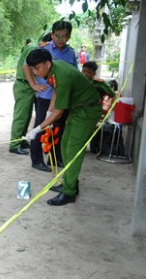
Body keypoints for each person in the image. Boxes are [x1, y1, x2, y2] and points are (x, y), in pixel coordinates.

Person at [25, 49, 102, 206]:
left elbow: (59, 113)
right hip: (77, 109)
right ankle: (70, 181)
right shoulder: (53, 70)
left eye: (36, 68)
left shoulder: (62, 75)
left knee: (73, 150)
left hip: (87, 110)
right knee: (65, 145)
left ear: (47, 63)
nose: (34, 72)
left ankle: (69, 192)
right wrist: (48, 112)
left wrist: (36, 129)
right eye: (32, 69)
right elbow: (55, 91)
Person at [30, 20, 77, 172]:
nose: (61, 39)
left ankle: (54, 158)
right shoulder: (44, 49)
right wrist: (33, 84)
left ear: (69, 37)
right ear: (52, 34)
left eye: (65, 36)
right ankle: (36, 160)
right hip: (45, 97)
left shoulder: (71, 53)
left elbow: (72, 75)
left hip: (61, 97)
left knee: (58, 128)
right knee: (40, 127)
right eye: (58, 36)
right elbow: (26, 65)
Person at [9, 33, 51, 155]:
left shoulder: (32, 48)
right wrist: (34, 84)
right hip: (24, 86)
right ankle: (14, 144)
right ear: (46, 43)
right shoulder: (34, 50)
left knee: (27, 116)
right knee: (21, 115)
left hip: (27, 86)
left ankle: (21, 140)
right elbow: (26, 67)